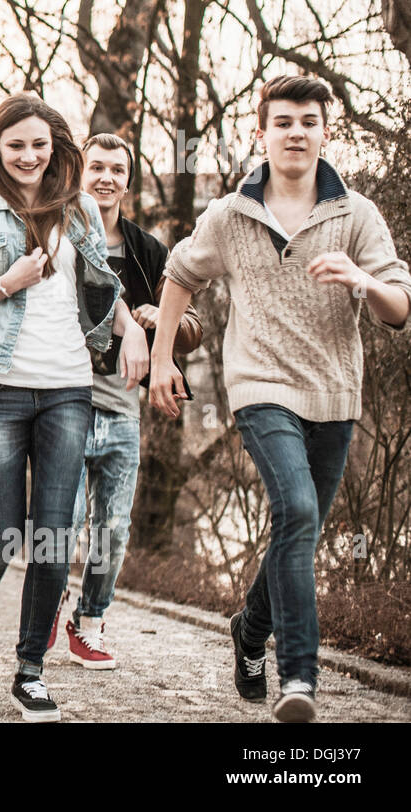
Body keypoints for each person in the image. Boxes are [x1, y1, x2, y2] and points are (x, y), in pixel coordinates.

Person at [149, 75, 411, 722]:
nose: (296, 132)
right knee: (294, 508)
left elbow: (399, 308)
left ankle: (249, 627)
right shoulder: (229, 215)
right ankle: (299, 676)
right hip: (259, 385)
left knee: (301, 527)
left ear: (326, 131)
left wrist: (360, 279)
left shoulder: (357, 214)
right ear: (261, 132)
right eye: (284, 121)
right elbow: (179, 274)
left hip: (334, 393)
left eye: (308, 122)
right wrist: (161, 360)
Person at [0, 92, 148, 722]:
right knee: (3, 534)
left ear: (55, 148)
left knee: (53, 536)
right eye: (15, 145)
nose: (28, 156)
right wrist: (5, 284)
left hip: (68, 387)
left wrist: (131, 329)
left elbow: (102, 285)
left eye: (38, 145)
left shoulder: (79, 208)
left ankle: (30, 671)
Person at [45, 133, 204, 669]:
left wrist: (166, 319)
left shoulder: (148, 250)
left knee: (112, 531)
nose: (106, 178)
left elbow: (192, 323)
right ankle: (47, 604)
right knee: (60, 524)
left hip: (121, 409)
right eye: (97, 167)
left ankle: (89, 623)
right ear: (78, 173)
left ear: (128, 182)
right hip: (63, 402)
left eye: (117, 170)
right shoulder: (57, 236)